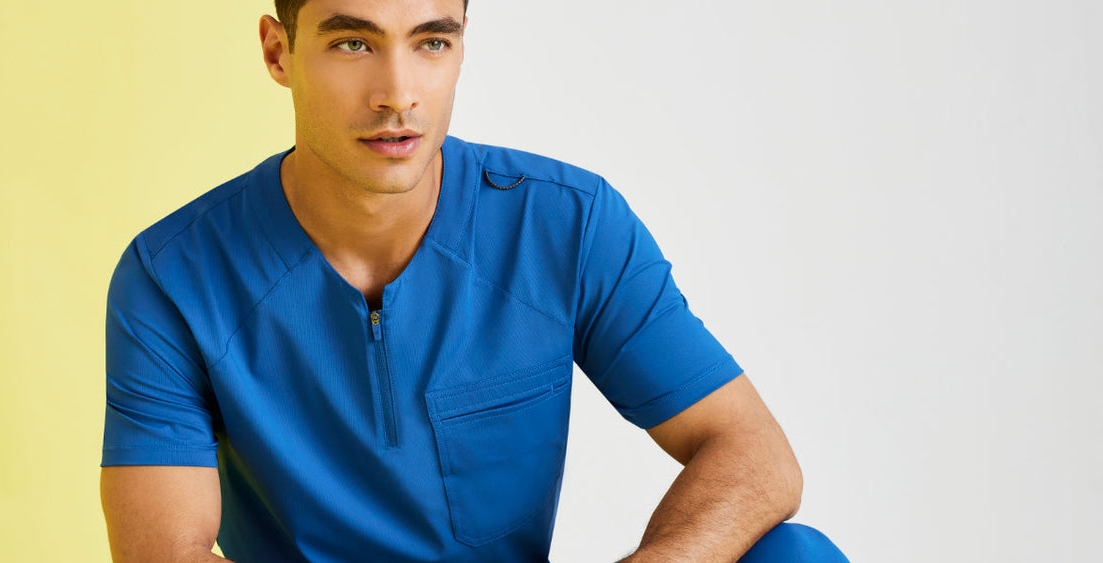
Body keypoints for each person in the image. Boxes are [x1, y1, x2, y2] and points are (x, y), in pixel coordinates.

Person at [98, 1, 849, 561]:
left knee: (796, 554)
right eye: (353, 42)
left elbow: (754, 454)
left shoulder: (566, 225)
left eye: (430, 42)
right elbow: (166, 555)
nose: (398, 92)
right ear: (277, 51)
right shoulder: (171, 276)